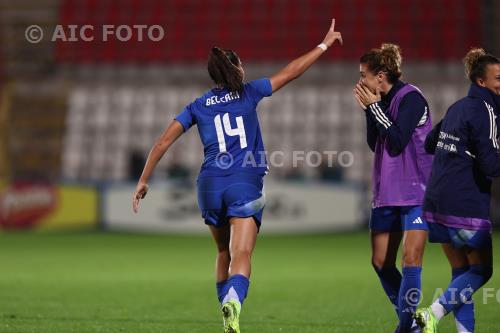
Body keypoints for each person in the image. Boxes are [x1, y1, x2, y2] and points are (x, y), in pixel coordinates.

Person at [132, 19, 342, 333]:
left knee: (222, 251)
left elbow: (162, 141)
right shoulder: (249, 92)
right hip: (244, 181)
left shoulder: (197, 105)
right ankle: (234, 300)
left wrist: (143, 179)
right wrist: (323, 45)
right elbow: (292, 71)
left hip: (209, 185)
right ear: (237, 67)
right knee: (242, 252)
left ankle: (226, 313)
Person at [415, 48, 500, 333]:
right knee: (481, 270)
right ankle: (432, 313)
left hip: (436, 204)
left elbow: (429, 143)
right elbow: (491, 165)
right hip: (463, 206)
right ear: (481, 82)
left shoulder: (458, 107)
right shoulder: (485, 110)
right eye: (498, 78)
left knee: (462, 273)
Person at [354, 43, 433, 333]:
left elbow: (398, 140)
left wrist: (374, 106)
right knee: (380, 262)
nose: (360, 80)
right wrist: (369, 110)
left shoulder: (411, 98)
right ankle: (412, 320)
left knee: (411, 258)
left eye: (364, 74)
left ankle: (405, 327)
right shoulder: (382, 101)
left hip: (416, 191)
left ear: (381, 75)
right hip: (387, 190)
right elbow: (376, 144)